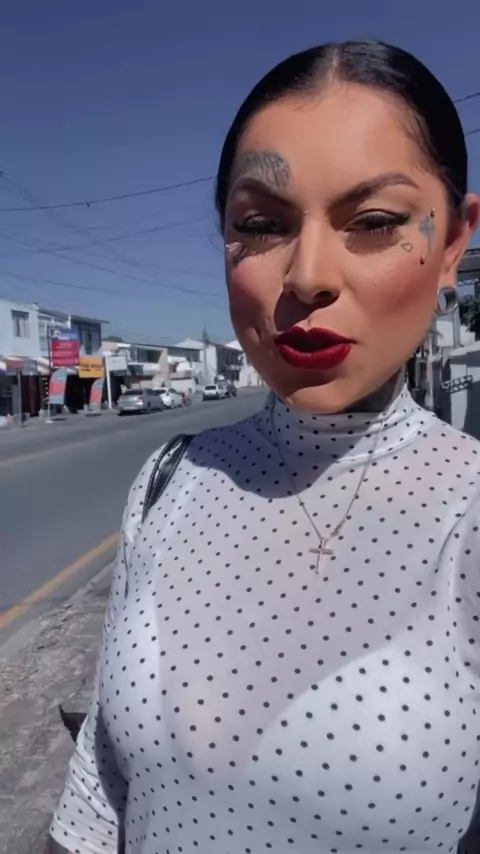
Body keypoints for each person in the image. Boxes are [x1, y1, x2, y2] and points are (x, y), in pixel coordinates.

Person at [46, 39, 480, 854]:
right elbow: (99, 792)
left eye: (373, 222)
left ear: (454, 241)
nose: (308, 276)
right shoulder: (169, 480)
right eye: (260, 225)